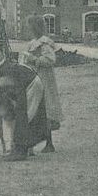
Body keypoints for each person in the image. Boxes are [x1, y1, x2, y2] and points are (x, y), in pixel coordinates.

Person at [0, 47, 49, 161]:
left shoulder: (4, 69)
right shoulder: (7, 65)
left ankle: (20, 151)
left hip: (31, 85)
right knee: (25, 115)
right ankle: (24, 147)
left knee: (23, 116)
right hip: (32, 82)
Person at [20, 14, 62, 150]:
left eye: (31, 27)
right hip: (34, 77)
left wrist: (34, 60)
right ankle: (34, 144)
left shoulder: (45, 43)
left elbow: (50, 60)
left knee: (45, 109)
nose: (29, 30)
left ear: (37, 27)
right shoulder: (32, 43)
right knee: (34, 108)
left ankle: (49, 143)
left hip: (44, 79)